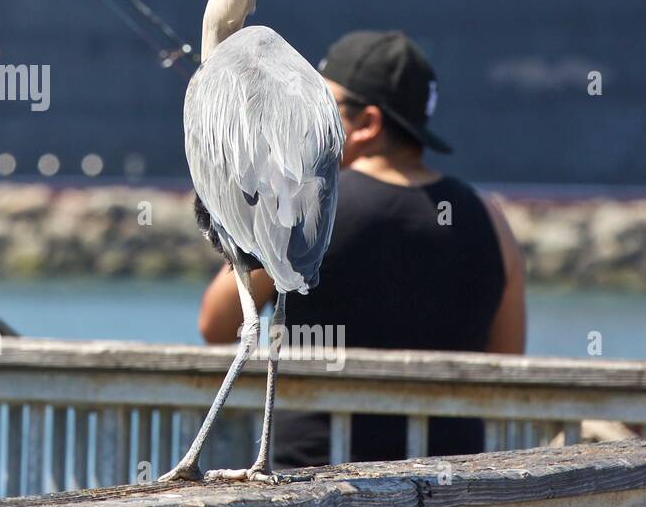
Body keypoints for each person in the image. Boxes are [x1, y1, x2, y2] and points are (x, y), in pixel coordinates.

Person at [196, 30, 526, 466]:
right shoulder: (490, 218)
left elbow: (216, 324)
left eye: (315, 105)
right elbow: (506, 359)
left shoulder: (299, 210)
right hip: (450, 485)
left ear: (367, 124)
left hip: (316, 484)